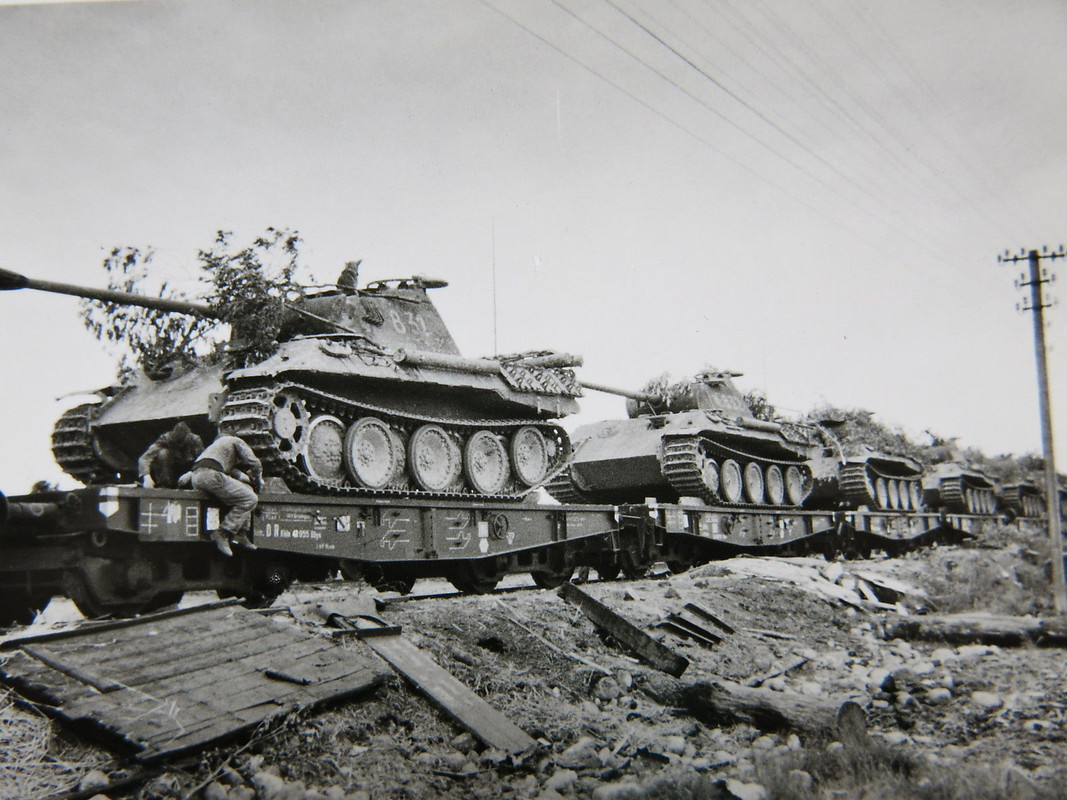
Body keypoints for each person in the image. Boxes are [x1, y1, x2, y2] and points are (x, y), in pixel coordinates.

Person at [180, 433, 263, 557]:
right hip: (212, 475)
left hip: (197, 478)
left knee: (247, 489)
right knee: (250, 498)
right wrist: (258, 479)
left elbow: (235, 474)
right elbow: (254, 463)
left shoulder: (215, 450)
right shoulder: (235, 440)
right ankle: (223, 531)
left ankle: (241, 533)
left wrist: (250, 482)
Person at [137, 422, 204, 489]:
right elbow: (145, 458)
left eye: (182, 443)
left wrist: (191, 473)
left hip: (188, 471)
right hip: (170, 471)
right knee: (163, 453)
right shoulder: (166, 438)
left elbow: (202, 460)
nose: (180, 445)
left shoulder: (195, 440)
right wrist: (146, 477)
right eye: (178, 443)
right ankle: (165, 486)